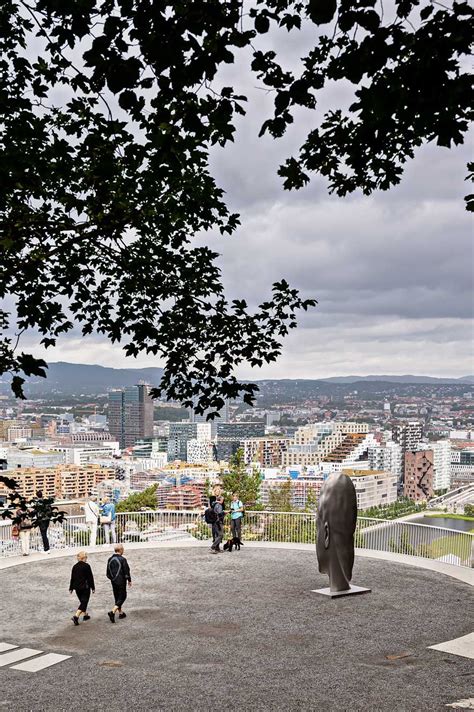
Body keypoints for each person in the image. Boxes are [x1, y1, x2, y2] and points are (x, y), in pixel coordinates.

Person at [106, 544, 132, 623]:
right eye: (123, 549)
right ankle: (112, 611)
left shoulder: (110, 559)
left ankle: (120, 613)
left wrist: (112, 578)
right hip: (121, 581)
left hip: (113, 581)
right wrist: (129, 580)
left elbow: (107, 572)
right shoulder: (122, 559)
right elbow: (126, 570)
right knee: (123, 595)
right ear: (120, 550)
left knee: (117, 596)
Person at [69, 551, 95, 625]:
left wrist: (71, 588)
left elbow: (72, 578)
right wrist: (93, 587)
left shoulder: (74, 566)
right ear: (84, 558)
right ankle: (76, 616)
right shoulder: (87, 566)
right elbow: (90, 577)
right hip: (85, 587)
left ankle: (85, 615)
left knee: (82, 601)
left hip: (77, 588)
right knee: (84, 602)